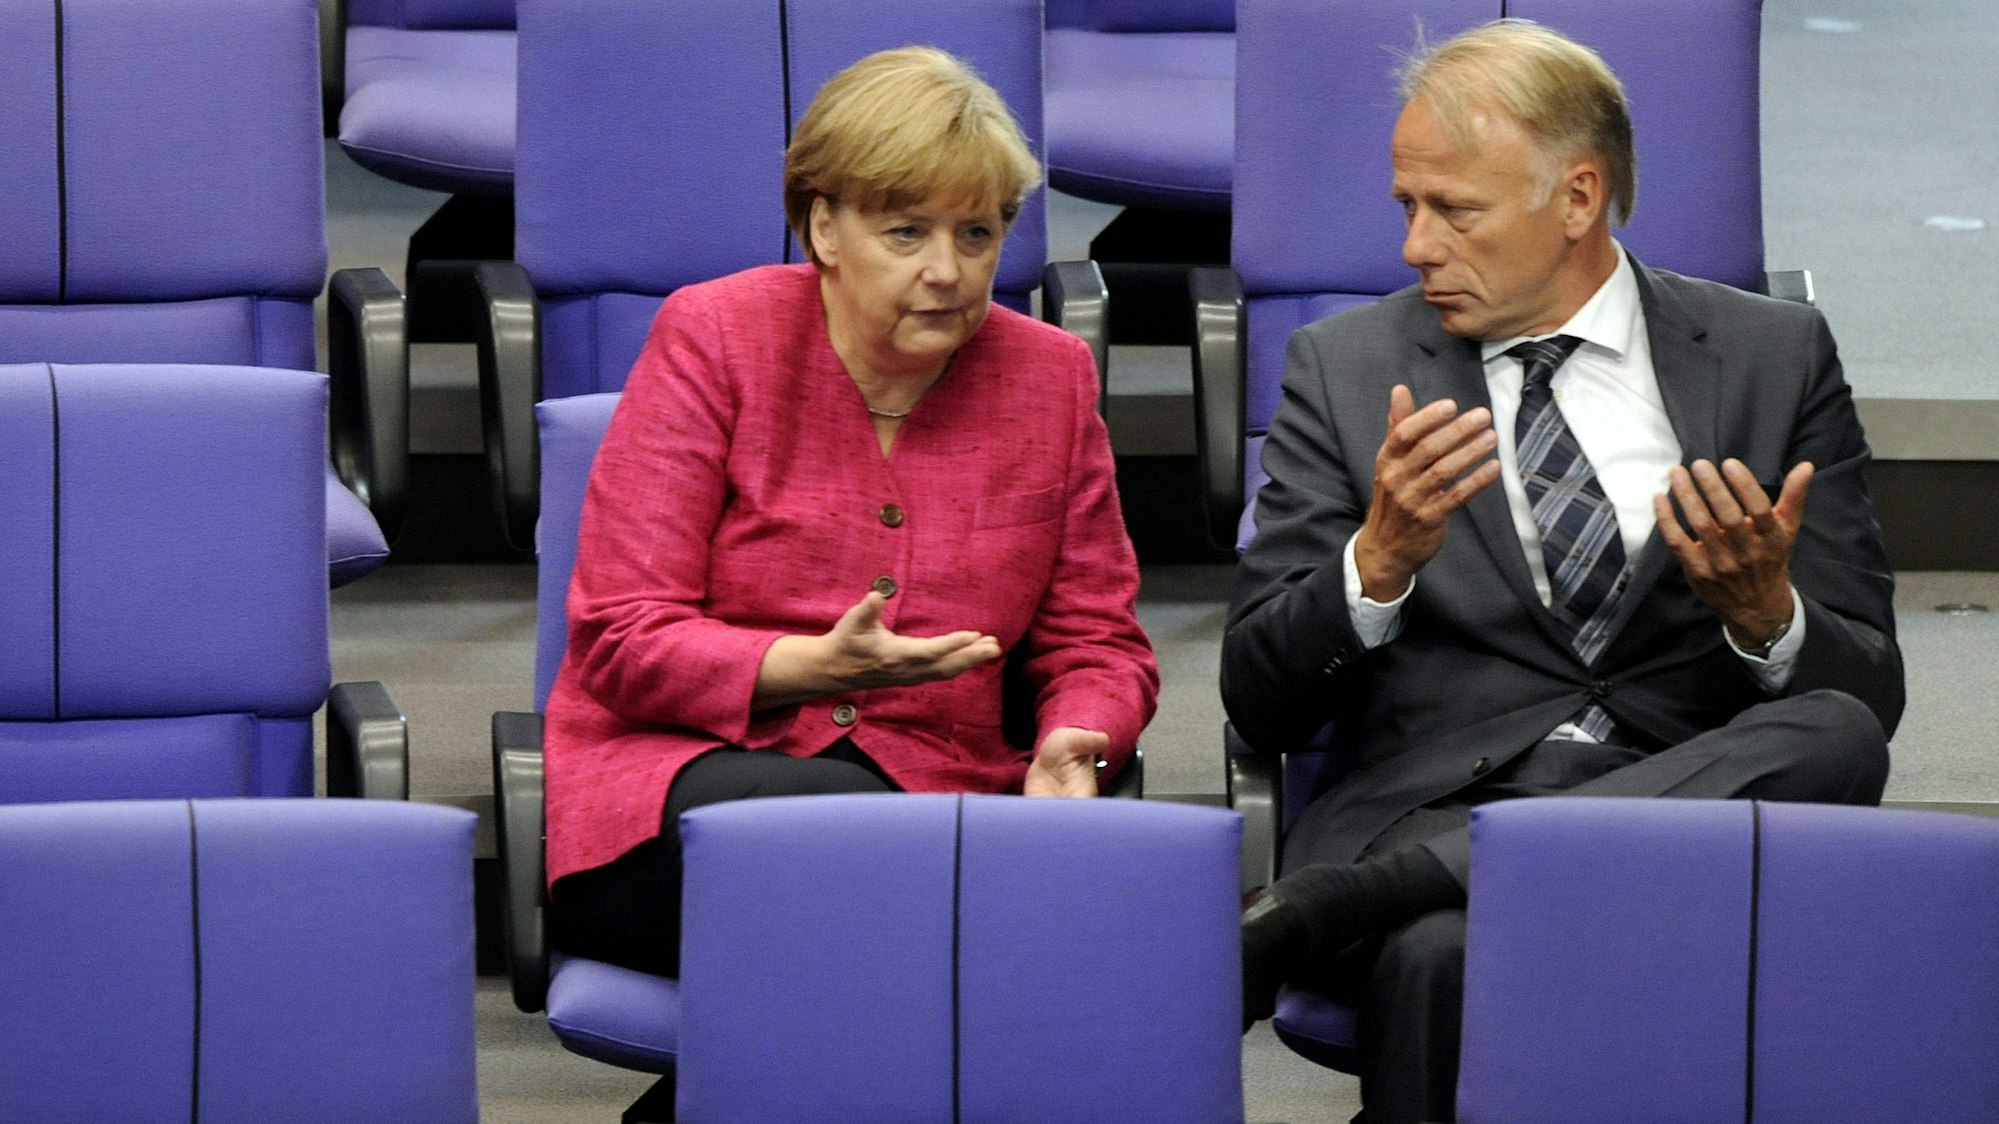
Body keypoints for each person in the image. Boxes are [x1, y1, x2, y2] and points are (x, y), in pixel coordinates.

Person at [1225, 20, 1902, 1123]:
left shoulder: (1771, 357)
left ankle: (1334, 904)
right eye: (1407, 206)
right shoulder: (1345, 371)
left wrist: (1763, 612)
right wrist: (1377, 562)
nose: (1413, 245)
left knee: (1834, 733)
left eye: (1454, 209)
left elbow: (1869, 690)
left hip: (1685, 804)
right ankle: (1416, 882)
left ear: (1577, 199)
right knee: (1438, 952)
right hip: (1437, 795)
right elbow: (1259, 694)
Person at [542, 46, 1158, 977]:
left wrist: (1081, 737)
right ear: (824, 228)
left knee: (887, 890)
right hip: (681, 790)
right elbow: (621, 637)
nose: (948, 271)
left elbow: (1096, 643)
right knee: (869, 872)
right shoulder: (713, 339)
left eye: (977, 235)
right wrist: (808, 667)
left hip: (931, 799)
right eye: (906, 233)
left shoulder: (1049, 379)